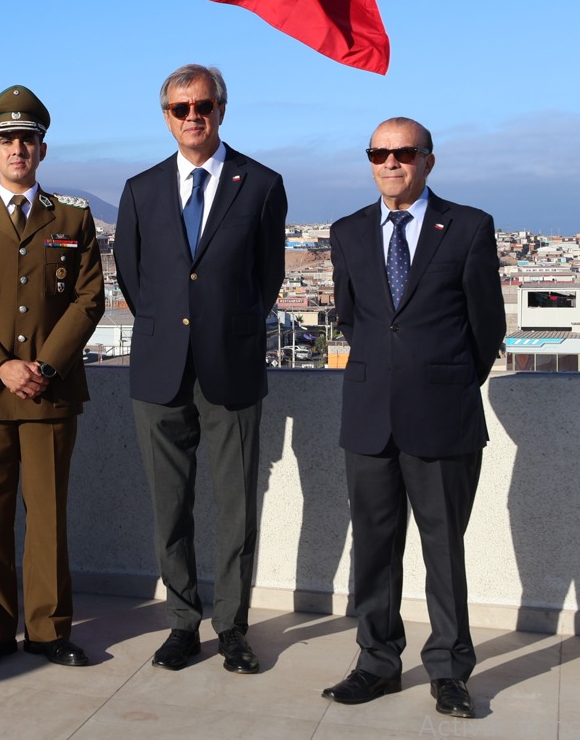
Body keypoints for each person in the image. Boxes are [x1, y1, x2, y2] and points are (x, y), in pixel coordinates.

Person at [321, 118, 504, 718]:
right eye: (379, 153)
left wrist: (444, 380)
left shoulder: (469, 226)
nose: (391, 163)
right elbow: (352, 318)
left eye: (403, 152)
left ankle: (450, 671)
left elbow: (486, 326)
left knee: (443, 551)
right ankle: (376, 662)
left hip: (444, 417)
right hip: (369, 415)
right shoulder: (347, 231)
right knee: (374, 549)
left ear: (428, 160)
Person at [114, 64, 287, 674]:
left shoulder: (261, 184)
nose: (193, 116)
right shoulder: (140, 189)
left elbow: (268, 278)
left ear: (221, 109)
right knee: (170, 509)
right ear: (166, 117)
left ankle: (233, 628)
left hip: (230, 369)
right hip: (160, 372)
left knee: (237, 508)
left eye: (204, 105)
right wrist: (171, 330)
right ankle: (182, 623)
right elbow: (133, 277)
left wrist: (225, 329)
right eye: (180, 108)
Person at [0, 86, 104, 669]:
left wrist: (45, 366)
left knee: (48, 514)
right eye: (6, 140)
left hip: (50, 391)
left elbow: (88, 299)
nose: (17, 149)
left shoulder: (73, 217)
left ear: (42, 149)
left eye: (27, 140)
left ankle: (49, 629)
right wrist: (2, 365)